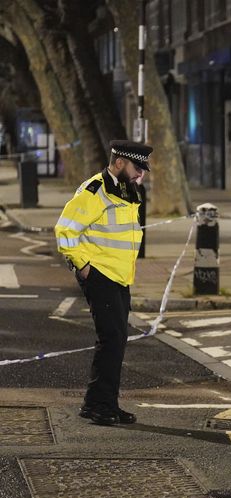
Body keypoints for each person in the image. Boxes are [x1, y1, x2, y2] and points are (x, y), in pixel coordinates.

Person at [55, 140, 151, 426]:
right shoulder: (94, 190)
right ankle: (98, 405)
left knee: (116, 340)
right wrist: (84, 267)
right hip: (101, 275)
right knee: (111, 339)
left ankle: (104, 403)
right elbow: (65, 230)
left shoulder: (125, 190)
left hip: (120, 276)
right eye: (136, 167)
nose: (140, 174)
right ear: (119, 163)